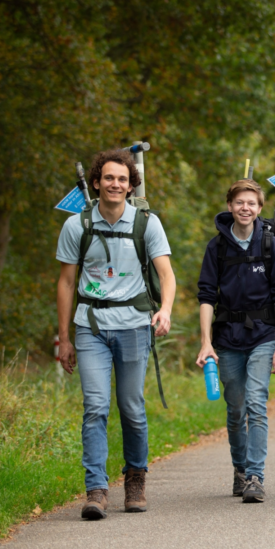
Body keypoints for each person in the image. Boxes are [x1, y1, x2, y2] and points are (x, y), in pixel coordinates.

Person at [56, 148, 176, 520]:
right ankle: (96, 489)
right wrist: (64, 337)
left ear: (130, 184)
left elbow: (167, 275)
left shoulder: (146, 223)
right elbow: (65, 282)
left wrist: (166, 310)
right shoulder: (78, 225)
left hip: (134, 326)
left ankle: (135, 479)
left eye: (122, 179)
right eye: (108, 178)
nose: (115, 184)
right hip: (90, 326)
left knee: (132, 409)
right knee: (95, 406)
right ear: (96, 182)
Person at [196, 179, 275, 503]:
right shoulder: (217, 248)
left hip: (263, 335)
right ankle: (240, 469)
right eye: (239, 202)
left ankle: (255, 476)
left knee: (256, 401)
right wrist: (205, 342)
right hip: (227, 339)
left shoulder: (270, 246)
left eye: (251, 203)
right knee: (235, 407)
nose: (245, 208)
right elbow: (207, 296)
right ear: (230, 206)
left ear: (260, 208)